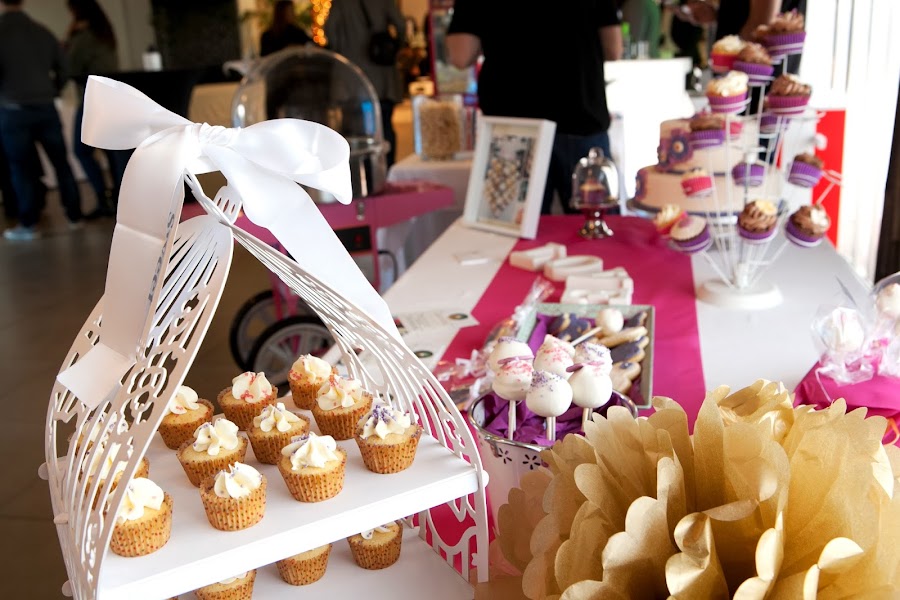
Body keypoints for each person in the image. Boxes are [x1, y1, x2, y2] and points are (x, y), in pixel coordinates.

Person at [447, 1, 623, 215]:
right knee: (594, 227)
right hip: (578, 114)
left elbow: (461, 55)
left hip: (513, 123)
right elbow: (613, 49)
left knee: (515, 227)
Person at [0, 0, 82, 240]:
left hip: (13, 110)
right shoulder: (42, 31)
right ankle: (74, 216)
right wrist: (52, 90)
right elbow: (65, 68)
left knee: (21, 169)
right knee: (61, 164)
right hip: (46, 108)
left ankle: (28, 224)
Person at [325, 0, 406, 167]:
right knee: (384, 124)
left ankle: (362, 171)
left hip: (351, 77)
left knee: (355, 129)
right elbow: (401, 25)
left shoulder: (341, 3)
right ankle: (387, 168)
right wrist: (395, 46)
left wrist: (342, 47)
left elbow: (330, 30)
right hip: (381, 73)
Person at [66, 0, 121, 219]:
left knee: (81, 150)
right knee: (111, 150)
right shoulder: (106, 34)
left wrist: (70, 35)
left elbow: (71, 67)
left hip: (93, 99)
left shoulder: (84, 37)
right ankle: (117, 198)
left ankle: (102, 198)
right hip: (112, 98)